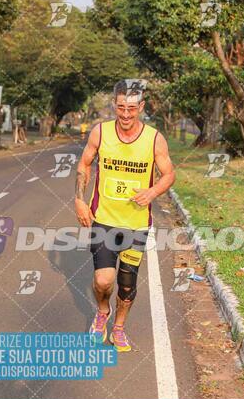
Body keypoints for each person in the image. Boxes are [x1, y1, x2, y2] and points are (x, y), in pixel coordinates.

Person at [75, 80, 175, 352]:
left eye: (132, 108)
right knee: (103, 281)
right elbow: (84, 164)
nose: (126, 114)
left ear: (141, 107)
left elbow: (169, 174)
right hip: (104, 220)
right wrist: (79, 200)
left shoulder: (154, 138)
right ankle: (102, 312)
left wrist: (152, 192)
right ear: (114, 106)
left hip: (136, 225)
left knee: (127, 285)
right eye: (121, 108)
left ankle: (119, 327)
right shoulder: (100, 132)